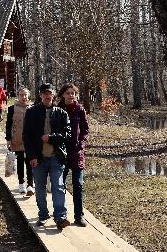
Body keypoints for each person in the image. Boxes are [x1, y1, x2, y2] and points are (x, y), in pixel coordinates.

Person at [23, 82, 71, 230]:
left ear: (54, 95)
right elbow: (27, 136)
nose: (47, 96)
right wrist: (32, 156)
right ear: (40, 95)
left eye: (49, 93)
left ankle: (60, 217)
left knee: (58, 186)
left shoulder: (62, 113)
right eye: (44, 93)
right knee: (40, 189)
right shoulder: (31, 112)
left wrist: (51, 137)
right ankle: (43, 215)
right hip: (38, 157)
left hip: (56, 157)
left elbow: (67, 135)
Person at [58, 83, 90, 227]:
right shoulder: (57, 109)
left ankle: (79, 216)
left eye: (73, 93)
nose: (71, 95)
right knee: (60, 184)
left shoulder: (79, 109)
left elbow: (85, 130)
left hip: (77, 152)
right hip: (61, 152)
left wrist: (81, 144)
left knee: (78, 184)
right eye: (68, 93)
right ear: (63, 94)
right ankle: (62, 215)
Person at [6, 87, 34, 196]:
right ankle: (21, 183)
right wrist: (8, 138)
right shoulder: (12, 109)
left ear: (28, 96)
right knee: (20, 161)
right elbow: (8, 125)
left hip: (30, 141)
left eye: (25, 95)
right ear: (18, 96)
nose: (24, 97)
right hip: (17, 140)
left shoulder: (32, 108)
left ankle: (30, 185)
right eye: (21, 95)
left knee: (30, 162)